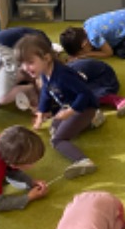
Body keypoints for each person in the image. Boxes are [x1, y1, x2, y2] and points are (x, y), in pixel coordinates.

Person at [17, 32, 101, 180]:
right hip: (69, 104)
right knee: (54, 128)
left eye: (30, 62)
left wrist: (71, 112)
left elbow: (85, 94)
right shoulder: (45, 72)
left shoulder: (63, 76)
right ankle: (93, 121)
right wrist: (41, 113)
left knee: (57, 140)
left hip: (84, 107)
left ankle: (83, 161)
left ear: (47, 58)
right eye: (22, 63)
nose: (25, 67)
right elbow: (46, 92)